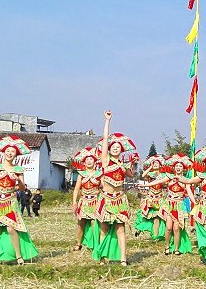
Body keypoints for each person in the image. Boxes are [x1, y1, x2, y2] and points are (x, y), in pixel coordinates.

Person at [0, 135, 38, 264]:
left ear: (16, 155)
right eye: (8, 151)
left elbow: (21, 187)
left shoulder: (18, 169)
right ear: (3, 152)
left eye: (12, 152)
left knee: (11, 228)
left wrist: (17, 179)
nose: (10, 153)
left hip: (10, 202)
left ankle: (19, 256)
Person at [92, 111, 138, 266]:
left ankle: (123, 259)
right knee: (104, 229)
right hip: (106, 199)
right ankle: (103, 258)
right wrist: (107, 121)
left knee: (120, 229)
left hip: (120, 200)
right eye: (113, 146)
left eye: (119, 147)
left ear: (121, 150)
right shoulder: (105, 161)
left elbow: (131, 175)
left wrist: (131, 164)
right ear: (109, 149)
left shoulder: (123, 166)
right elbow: (105, 139)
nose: (116, 148)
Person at [140, 153, 193, 255]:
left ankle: (176, 249)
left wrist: (194, 202)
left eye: (180, 166)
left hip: (179, 206)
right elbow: (157, 182)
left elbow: (189, 192)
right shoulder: (170, 177)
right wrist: (146, 184)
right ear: (173, 167)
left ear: (184, 168)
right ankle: (167, 246)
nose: (178, 168)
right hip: (169, 204)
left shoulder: (186, 180)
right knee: (168, 228)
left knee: (176, 228)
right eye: (176, 166)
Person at [71, 147, 102, 251]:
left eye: (91, 159)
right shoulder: (81, 175)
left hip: (95, 201)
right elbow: (76, 190)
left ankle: (94, 245)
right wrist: (74, 202)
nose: (89, 161)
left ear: (95, 161)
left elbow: (103, 187)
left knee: (94, 223)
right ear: (84, 162)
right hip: (83, 201)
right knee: (81, 224)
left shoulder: (99, 174)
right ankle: (78, 243)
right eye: (87, 159)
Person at [134, 155, 166, 240]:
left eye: (157, 163)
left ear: (160, 165)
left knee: (157, 217)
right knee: (145, 214)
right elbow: (143, 175)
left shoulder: (163, 175)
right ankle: (139, 229)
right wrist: (150, 167)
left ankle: (155, 236)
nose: (155, 164)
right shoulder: (150, 174)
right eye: (154, 163)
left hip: (159, 198)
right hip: (150, 197)